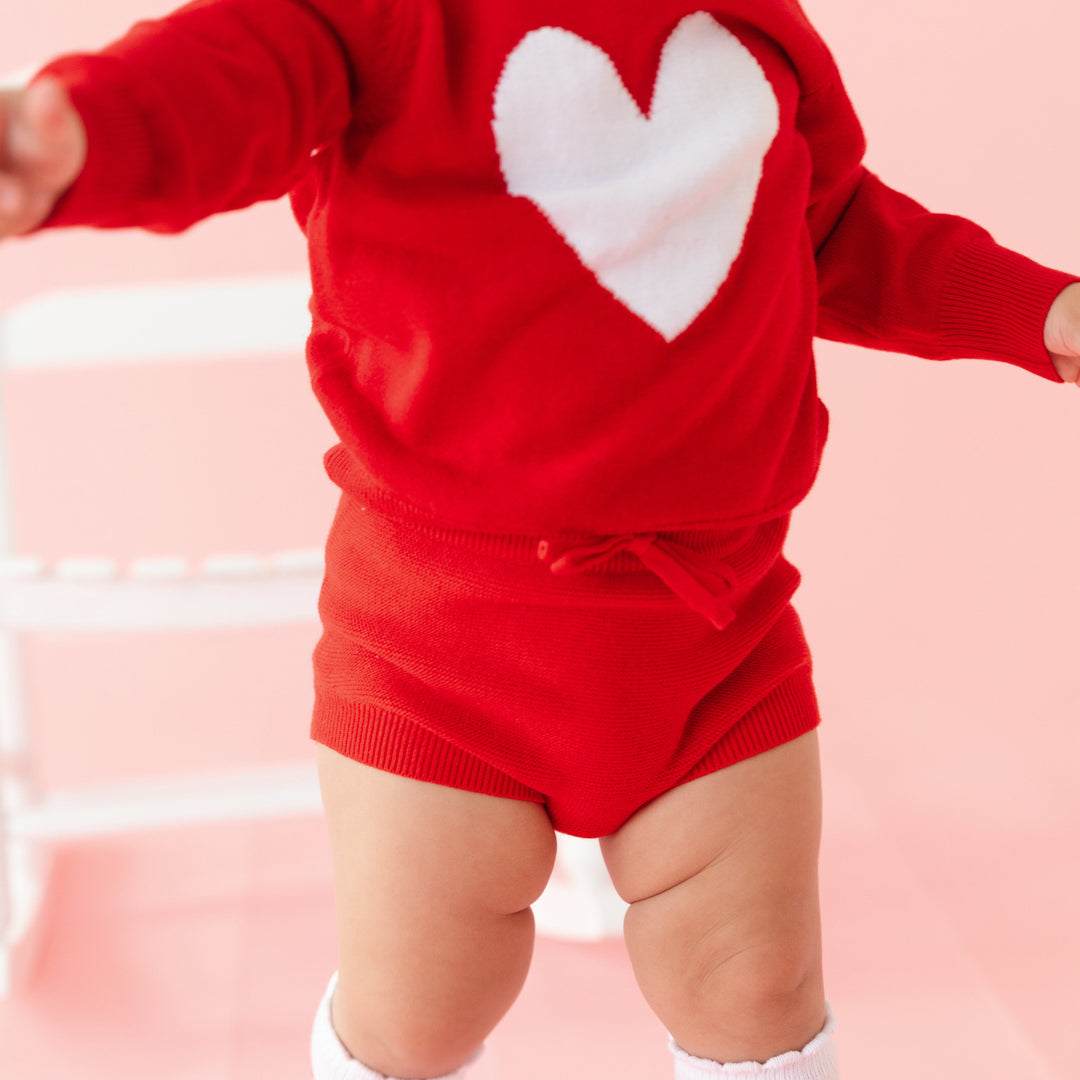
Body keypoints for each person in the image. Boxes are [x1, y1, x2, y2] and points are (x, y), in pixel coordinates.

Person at [2, 3, 1079, 1079]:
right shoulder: (382, 18)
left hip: (715, 626)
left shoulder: (757, 25)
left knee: (758, 988)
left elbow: (827, 222)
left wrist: (1037, 311)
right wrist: (88, 132)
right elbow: (232, 75)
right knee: (419, 1009)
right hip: (440, 643)